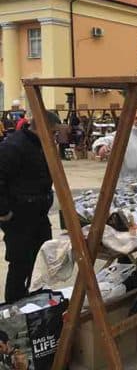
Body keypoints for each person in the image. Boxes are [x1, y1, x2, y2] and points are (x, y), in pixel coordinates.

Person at [0, 111, 60, 303]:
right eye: (54, 132)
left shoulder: (43, 146)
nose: (56, 136)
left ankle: (36, 304)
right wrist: (4, 212)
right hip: (19, 219)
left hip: (39, 216)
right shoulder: (13, 146)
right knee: (20, 266)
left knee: (41, 262)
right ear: (43, 128)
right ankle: (13, 312)